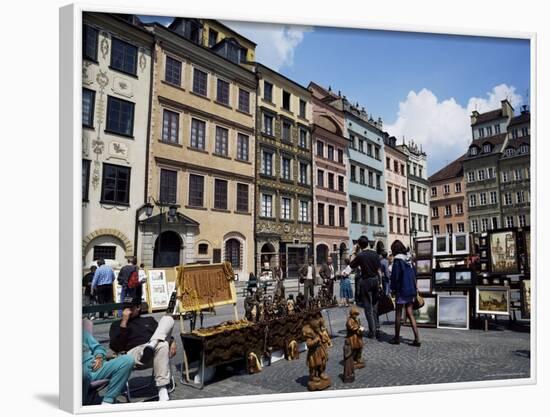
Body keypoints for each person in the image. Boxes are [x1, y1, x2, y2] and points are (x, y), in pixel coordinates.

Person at [109, 300, 177, 401]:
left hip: (154, 352)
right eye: (124, 308)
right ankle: (162, 389)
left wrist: (172, 341)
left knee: (168, 319)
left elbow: (162, 333)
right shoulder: (117, 325)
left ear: (138, 307)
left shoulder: (149, 320)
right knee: (162, 344)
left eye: (130, 308)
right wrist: (124, 322)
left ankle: (152, 344)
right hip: (135, 353)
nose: (127, 310)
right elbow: (116, 347)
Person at [82, 327, 134, 405]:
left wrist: (99, 357)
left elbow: (98, 347)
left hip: (95, 368)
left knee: (127, 360)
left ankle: (107, 401)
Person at [389, 239, 421, 347]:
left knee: (398, 314)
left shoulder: (398, 260)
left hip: (402, 289)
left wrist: (393, 289)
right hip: (410, 289)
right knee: (410, 313)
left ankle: (397, 337)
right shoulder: (409, 259)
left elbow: (395, 276)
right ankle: (417, 338)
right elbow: (415, 274)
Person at [349, 236, 382, 339]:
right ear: (367, 243)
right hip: (375, 280)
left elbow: (351, 264)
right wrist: (380, 283)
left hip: (366, 281)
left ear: (359, 244)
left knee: (368, 307)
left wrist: (354, 252)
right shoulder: (375, 254)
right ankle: (377, 328)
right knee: (375, 305)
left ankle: (372, 332)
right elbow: (379, 271)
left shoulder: (360, 255)